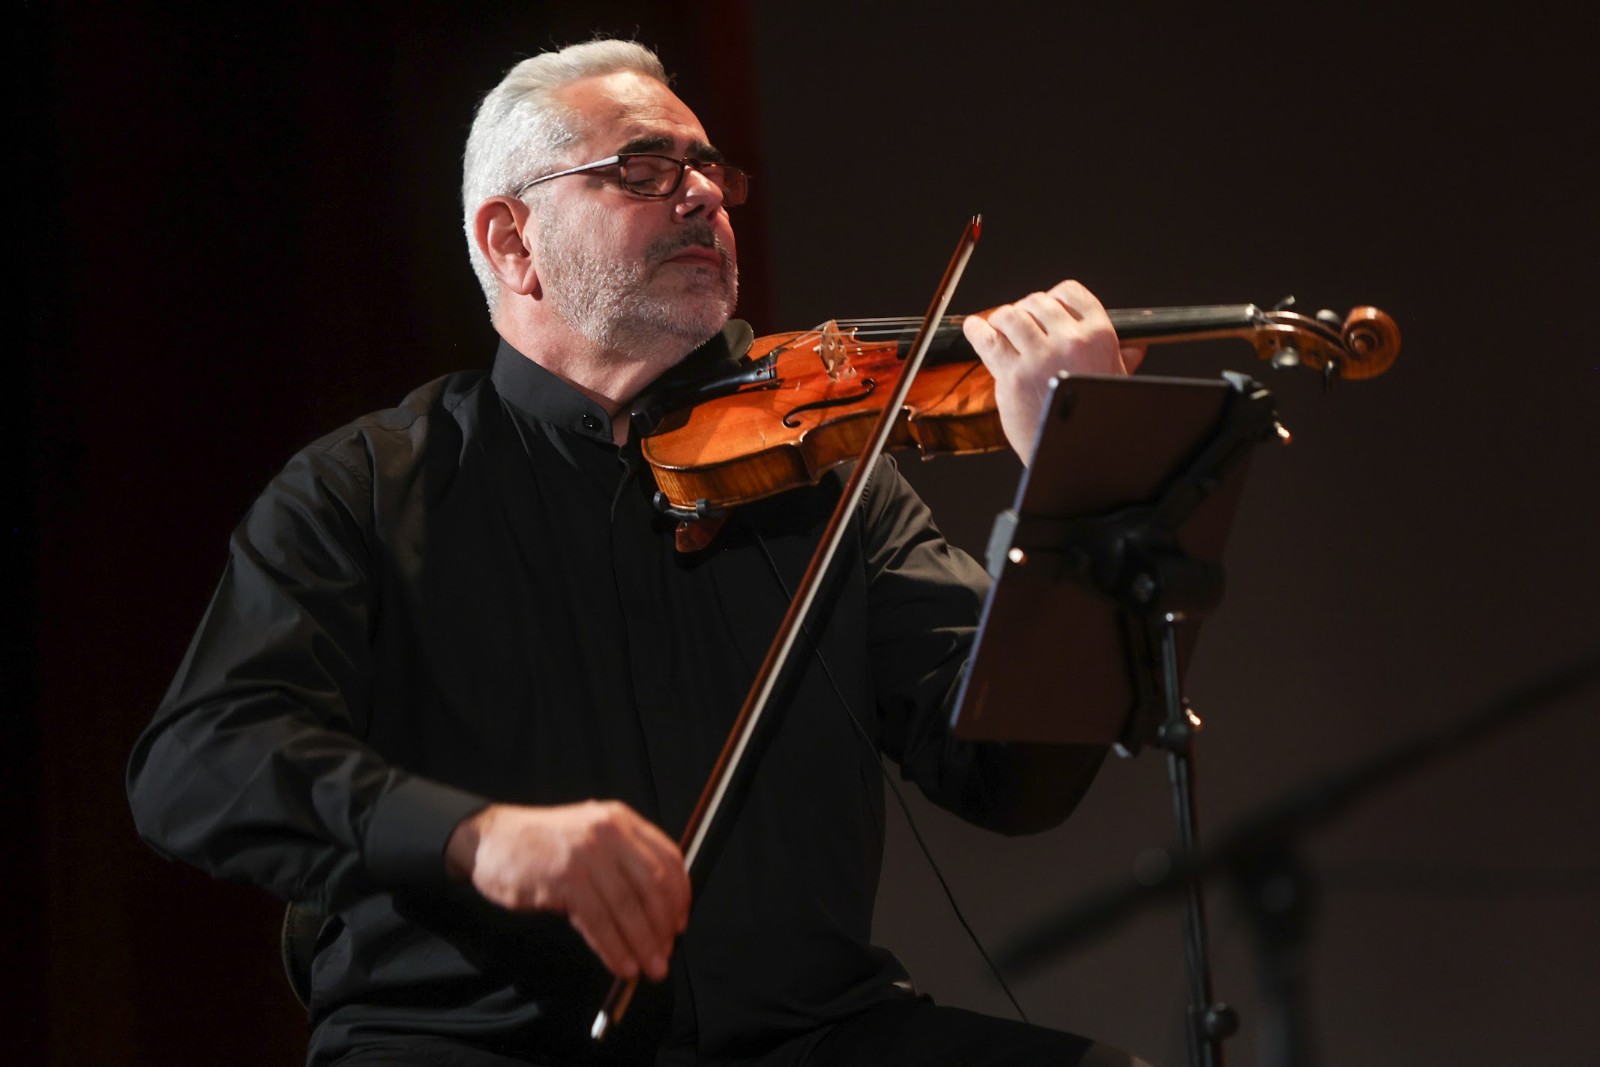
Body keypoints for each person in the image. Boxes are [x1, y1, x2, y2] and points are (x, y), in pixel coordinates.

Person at [128, 38, 1150, 1067]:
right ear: (512, 239)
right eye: (644, 170)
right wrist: (475, 835)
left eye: (709, 169)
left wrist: (1074, 487)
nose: (702, 193)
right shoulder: (365, 487)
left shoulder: (827, 475)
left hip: (810, 1035)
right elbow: (198, 757)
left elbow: (1011, 776)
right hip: (472, 1044)